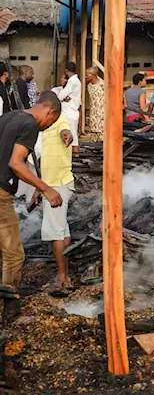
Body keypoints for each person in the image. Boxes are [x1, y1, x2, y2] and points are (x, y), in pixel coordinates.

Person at [0, 92, 63, 291]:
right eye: (51, 123)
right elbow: (16, 163)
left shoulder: (9, 117)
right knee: (13, 254)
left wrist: (35, 183)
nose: (47, 127)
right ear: (51, 113)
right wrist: (47, 189)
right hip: (1, 194)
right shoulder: (30, 125)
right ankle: (9, 306)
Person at [31, 106, 74, 289]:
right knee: (62, 231)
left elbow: (67, 132)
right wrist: (38, 188)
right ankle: (65, 276)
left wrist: (67, 135)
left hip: (57, 185)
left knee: (57, 232)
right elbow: (46, 163)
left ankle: (62, 277)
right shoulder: (47, 128)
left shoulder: (60, 121)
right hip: (53, 183)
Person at [56, 62, 81, 154]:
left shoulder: (72, 81)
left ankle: (75, 157)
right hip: (71, 112)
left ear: (66, 70)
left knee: (73, 137)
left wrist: (62, 97)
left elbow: (61, 96)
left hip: (70, 112)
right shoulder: (75, 81)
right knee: (72, 135)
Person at [85, 66, 104, 142]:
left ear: (93, 75)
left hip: (102, 115)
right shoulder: (89, 86)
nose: (85, 77)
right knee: (93, 135)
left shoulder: (103, 85)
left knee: (102, 137)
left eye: (87, 75)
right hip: (93, 115)